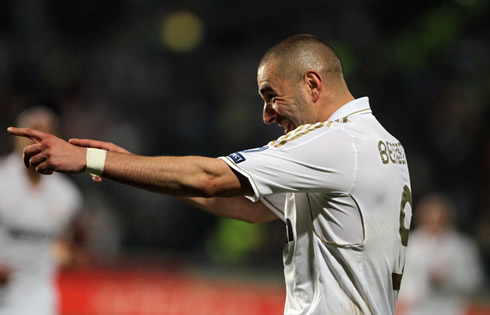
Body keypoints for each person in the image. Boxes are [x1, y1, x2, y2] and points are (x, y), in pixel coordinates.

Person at [8, 34, 412, 314]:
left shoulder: (334, 144)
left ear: (312, 83)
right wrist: (129, 166)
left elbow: (210, 177)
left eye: (271, 95)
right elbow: (248, 206)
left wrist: (89, 161)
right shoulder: (378, 142)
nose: (267, 114)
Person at [0, 106, 83, 315]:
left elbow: (66, 246)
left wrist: (68, 254)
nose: (35, 140)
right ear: (16, 136)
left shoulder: (67, 196)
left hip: (37, 297)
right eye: (30, 132)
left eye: (44, 133)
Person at [397, 193, 483, 315]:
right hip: (415, 310)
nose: (434, 222)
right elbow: (400, 281)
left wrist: (448, 278)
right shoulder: (410, 245)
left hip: (451, 309)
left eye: (439, 218)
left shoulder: (462, 247)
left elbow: (474, 281)